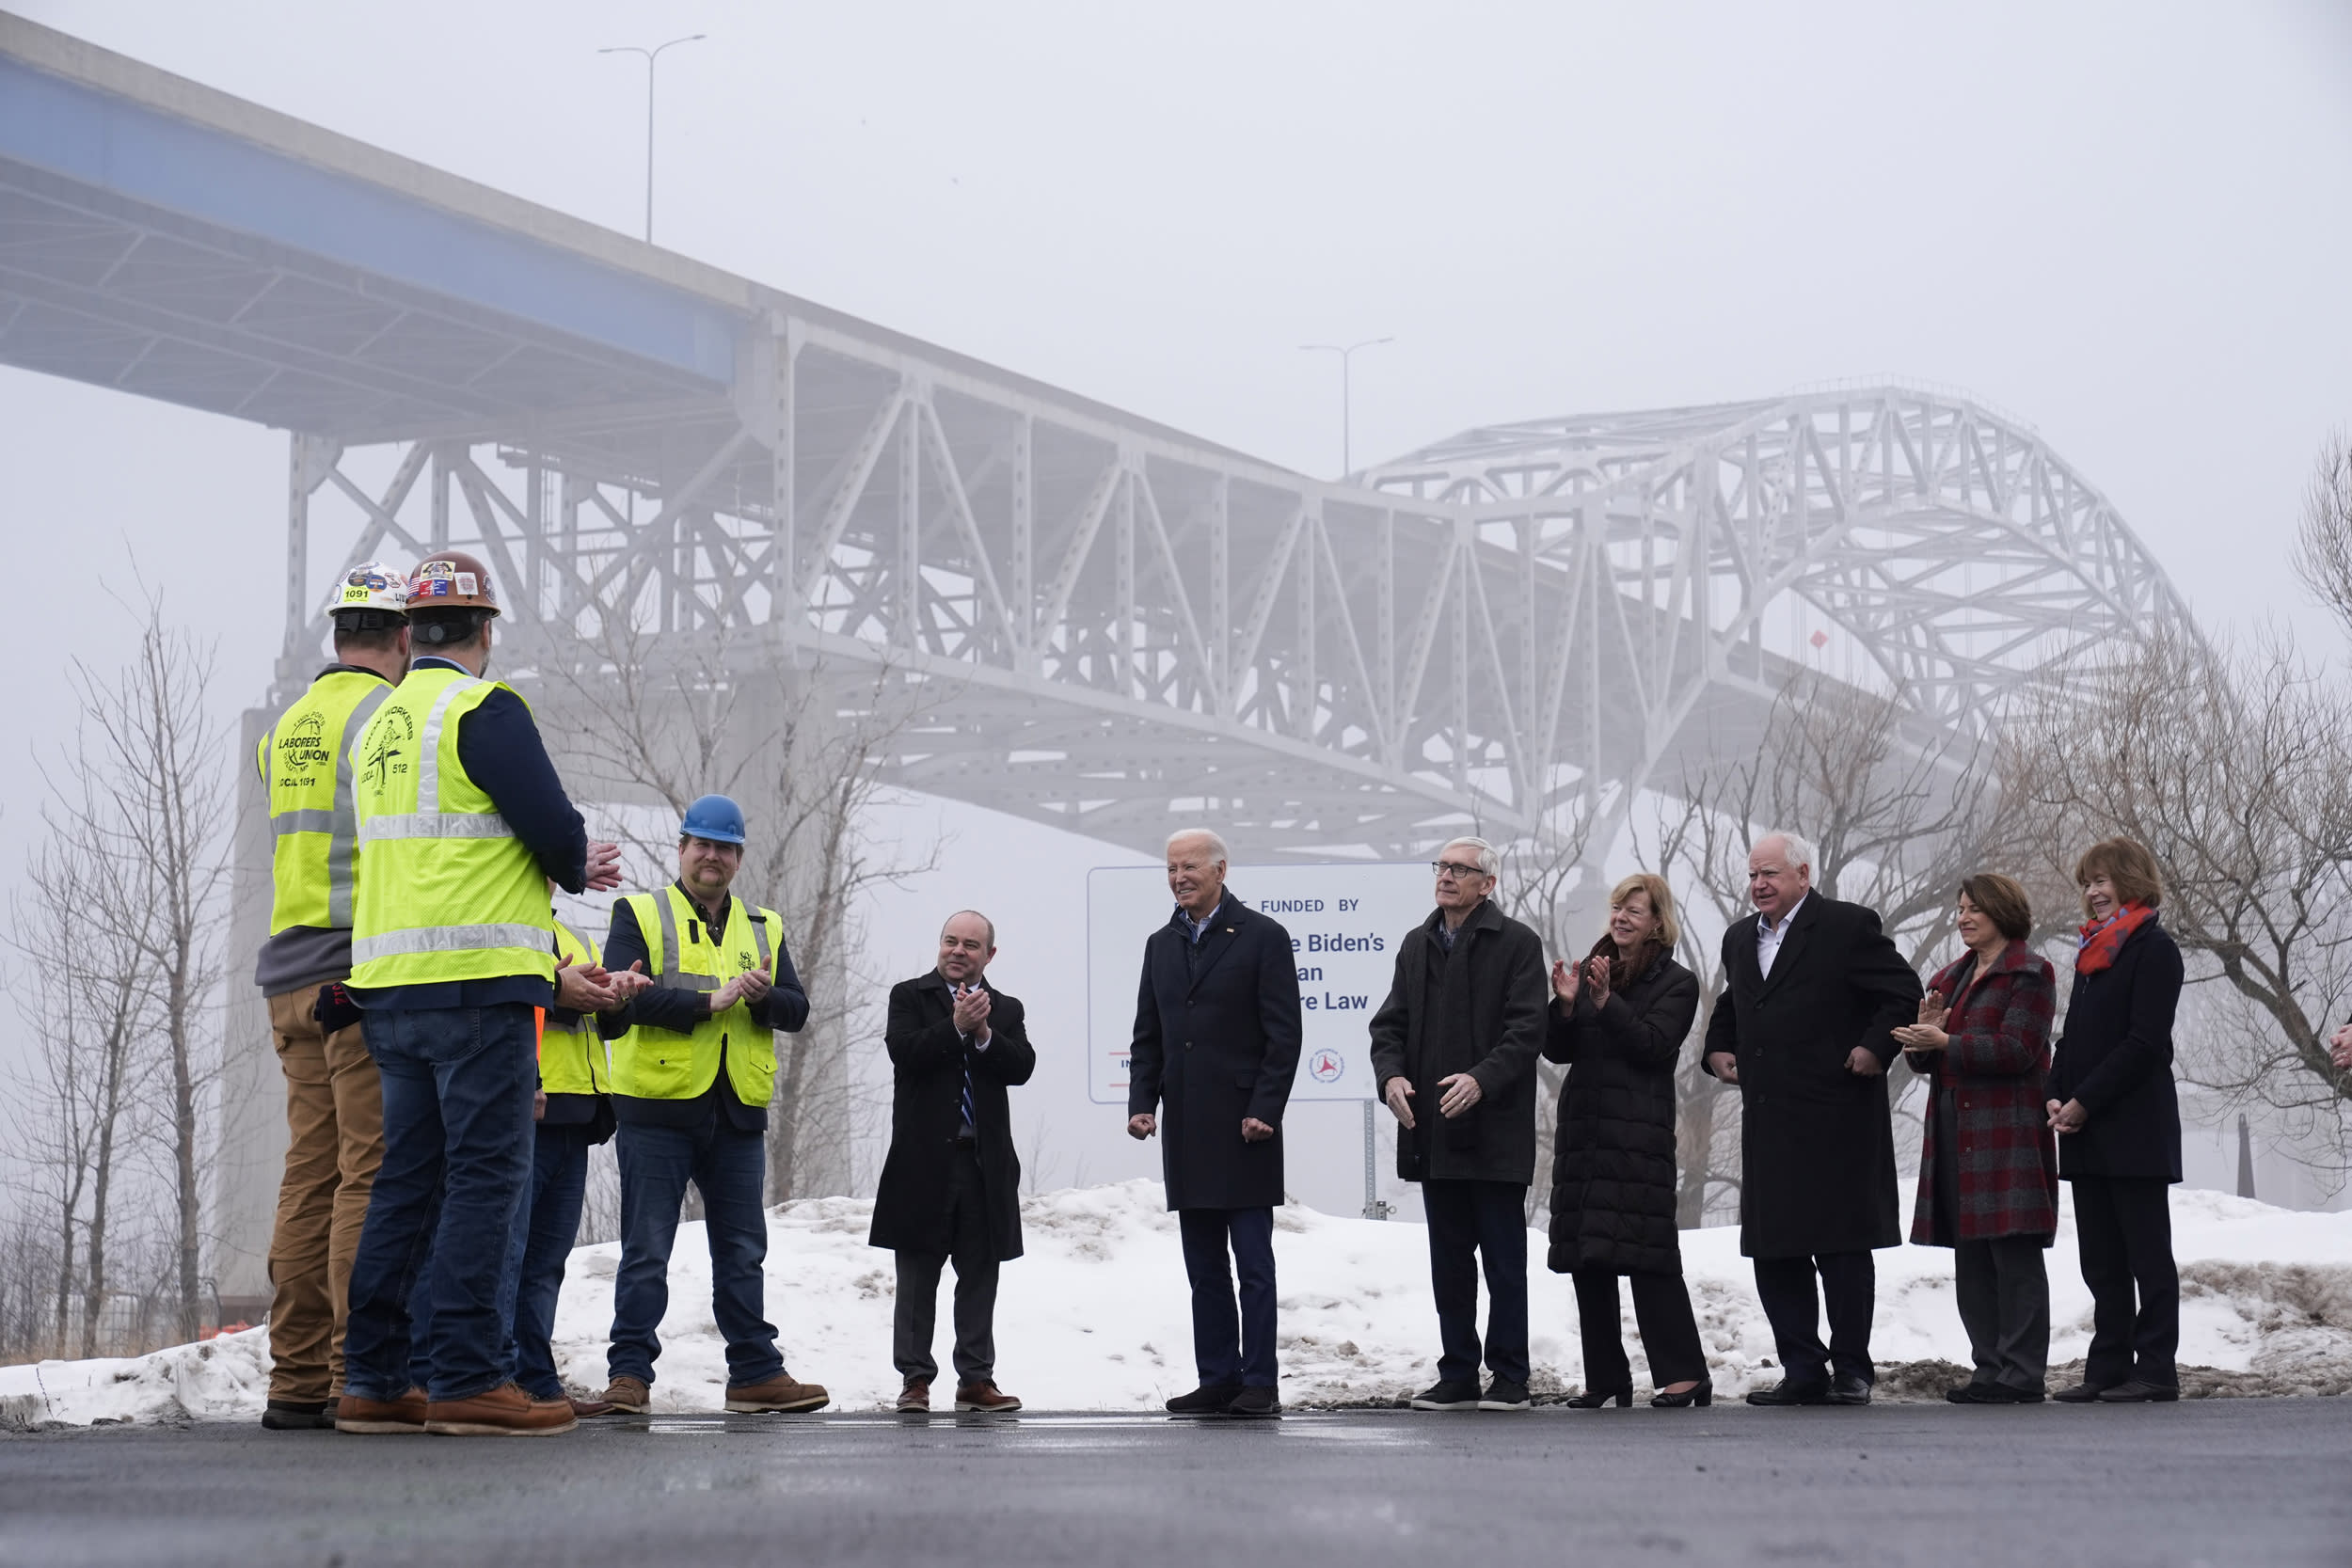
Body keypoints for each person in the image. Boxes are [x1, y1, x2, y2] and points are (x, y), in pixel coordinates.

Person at [339, 551, 622, 1437]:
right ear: (486, 631)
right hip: (479, 990)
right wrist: (577, 859)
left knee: (406, 1185)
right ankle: (468, 1375)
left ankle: (377, 1380)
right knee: (489, 1179)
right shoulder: (483, 708)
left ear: (411, 630)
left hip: (391, 990)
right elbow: (555, 829)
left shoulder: (379, 725)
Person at [592, 794, 826, 1417]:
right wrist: (706, 1003)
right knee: (647, 1249)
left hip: (737, 1111)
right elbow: (618, 1000)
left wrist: (759, 998)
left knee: (743, 1249)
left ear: (739, 858)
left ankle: (753, 1371)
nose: (712, 856)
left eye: (724, 847)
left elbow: (797, 1010)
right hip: (658, 1108)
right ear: (681, 848)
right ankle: (630, 1375)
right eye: (702, 844)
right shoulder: (638, 914)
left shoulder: (764, 926)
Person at [252, 562, 410, 1432]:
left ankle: (296, 1377)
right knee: (370, 1172)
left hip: (288, 979)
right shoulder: (382, 717)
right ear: (399, 639)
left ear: (336, 634)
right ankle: (364, 1372)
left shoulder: (285, 728)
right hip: (356, 976)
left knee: (308, 1175)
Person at [1703, 830, 1921, 1407]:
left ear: (1803, 874)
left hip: (1837, 1117)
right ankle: (1802, 1367)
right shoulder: (1738, 937)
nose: (1759, 885)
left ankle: (1851, 1370)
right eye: (1753, 875)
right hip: (1770, 1118)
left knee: (1842, 1249)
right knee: (1777, 1250)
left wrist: (1876, 1047)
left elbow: (1901, 993)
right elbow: (1735, 1003)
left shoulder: (1849, 926)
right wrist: (1717, 1047)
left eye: (1770, 874)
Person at [1127, 828, 1304, 1418]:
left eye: (1190, 867)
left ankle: (1259, 1382)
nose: (1179, 877)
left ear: (1221, 870)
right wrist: (1142, 1102)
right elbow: (1147, 1033)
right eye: (1172, 868)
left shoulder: (1263, 937)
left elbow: (1284, 1037)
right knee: (1204, 1268)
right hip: (1186, 1125)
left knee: (1252, 1264)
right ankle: (1218, 1377)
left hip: (1245, 1127)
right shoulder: (1159, 944)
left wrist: (1264, 1109)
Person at [1367, 838, 1548, 1413]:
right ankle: (1459, 1374)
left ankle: (1512, 1376)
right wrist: (1390, 1078)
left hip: (1493, 1132)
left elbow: (1526, 1031)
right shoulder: (1416, 945)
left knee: (1502, 1262)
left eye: (1460, 870)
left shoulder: (1518, 943)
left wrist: (1480, 1079)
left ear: (1486, 884)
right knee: (1449, 1264)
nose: (1446, 876)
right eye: (1441, 867)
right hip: (1434, 1133)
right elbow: (1388, 1026)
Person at [1543, 873, 1708, 1409]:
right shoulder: (1596, 972)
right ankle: (1605, 1377)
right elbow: (1560, 1052)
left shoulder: (1677, 982)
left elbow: (1653, 1046)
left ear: (1658, 921)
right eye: (1617, 908)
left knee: (1648, 1255)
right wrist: (1567, 1006)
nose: (1621, 918)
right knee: (1588, 1257)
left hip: (1637, 1135)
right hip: (1586, 1133)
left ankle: (1684, 1375)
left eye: (1634, 911)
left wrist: (1606, 1001)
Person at [1891, 873, 2058, 1403]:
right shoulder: (1948, 976)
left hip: (2007, 1127)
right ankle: (1988, 1368)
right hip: (1954, 1126)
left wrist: (1947, 1041)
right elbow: (1928, 1059)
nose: (1962, 917)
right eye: (1960, 908)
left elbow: (2018, 1050)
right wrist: (1922, 1041)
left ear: (2002, 913)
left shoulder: (2030, 973)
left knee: (2014, 1256)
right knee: (1971, 1259)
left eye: (1974, 909)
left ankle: (2022, 1373)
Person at [869, 911, 1037, 1414]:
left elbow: (1021, 1068)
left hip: (983, 1165)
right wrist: (954, 1026)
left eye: (970, 944)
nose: (957, 951)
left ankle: (975, 1379)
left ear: (989, 955)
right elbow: (904, 1052)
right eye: (950, 942)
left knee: (980, 1274)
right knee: (919, 1277)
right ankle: (915, 1380)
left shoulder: (1005, 1008)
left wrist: (984, 1033)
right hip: (923, 1164)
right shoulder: (910, 996)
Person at [2044, 837, 2185, 1403]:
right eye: (2087, 883)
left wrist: (2086, 1100)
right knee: (2101, 1260)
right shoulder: (2091, 952)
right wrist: (2056, 1093)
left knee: (2146, 1257)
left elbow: (2145, 1043)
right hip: (2088, 1128)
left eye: (2102, 880)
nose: (2093, 892)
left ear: (2131, 881)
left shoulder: (2155, 949)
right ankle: (2107, 1367)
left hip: (2134, 1128)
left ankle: (2155, 1370)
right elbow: (2074, 1037)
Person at [497, 914, 644, 1418]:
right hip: (527, 1108)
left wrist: (617, 996)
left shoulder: (571, 935)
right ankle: (494, 1379)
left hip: (575, 1111)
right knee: (509, 1257)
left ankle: (536, 1382)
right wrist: (562, 994)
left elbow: (602, 1023)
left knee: (542, 1266)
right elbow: (502, 999)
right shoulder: (506, 924)